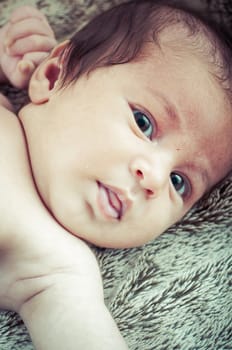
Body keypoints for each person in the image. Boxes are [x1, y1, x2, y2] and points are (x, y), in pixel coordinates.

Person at [0, 0, 231, 349]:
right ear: (52, 77)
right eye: (144, 123)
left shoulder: (57, 267)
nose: (154, 178)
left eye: (178, 182)